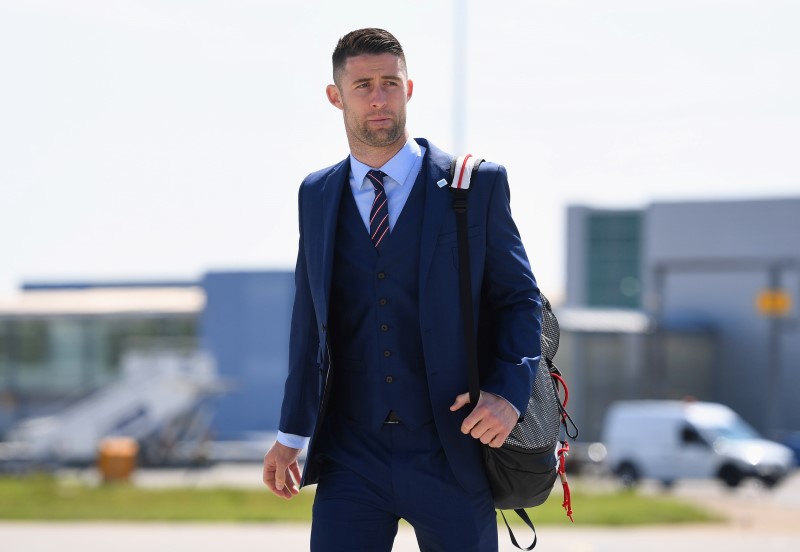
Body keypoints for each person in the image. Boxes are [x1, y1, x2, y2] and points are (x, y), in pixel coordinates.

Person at [262, 28, 542, 552]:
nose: (377, 97)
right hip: (351, 455)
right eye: (362, 84)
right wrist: (291, 434)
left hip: (451, 449)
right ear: (335, 96)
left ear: (408, 89)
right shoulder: (316, 194)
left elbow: (520, 301)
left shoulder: (474, 186)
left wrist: (508, 394)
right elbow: (309, 320)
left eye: (390, 83)